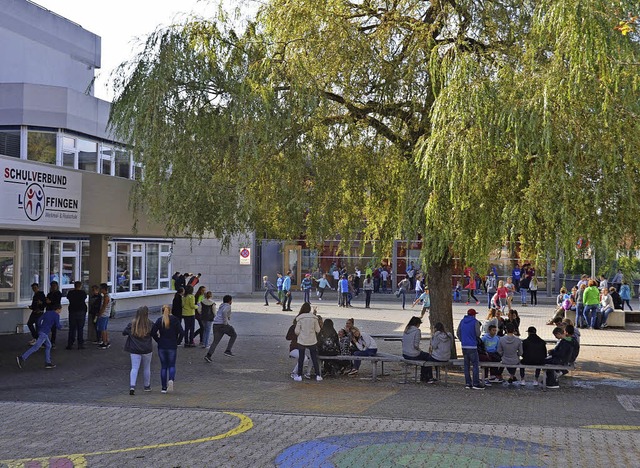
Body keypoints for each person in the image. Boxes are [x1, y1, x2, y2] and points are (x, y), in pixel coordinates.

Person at [151, 305, 184, 393]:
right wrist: (178, 342)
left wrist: (158, 340)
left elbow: (153, 332)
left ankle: (163, 388)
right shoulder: (175, 320)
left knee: (163, 367)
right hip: (172, 345)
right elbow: (182, 332)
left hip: (162, 345)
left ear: (162, 311)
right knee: (172, 365)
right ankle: (171, 380)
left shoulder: (159, 320)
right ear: (170, 311)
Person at [123, 306, 154, 395]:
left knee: (134, 368)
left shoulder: (132, 324)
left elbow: (124, 332)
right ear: (147, 314)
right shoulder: (150, 324)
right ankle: (146, 386)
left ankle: (132, 386)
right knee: (147, 368)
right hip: (147, 349)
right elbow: (154, 333)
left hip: (134, 349)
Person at [292, 302, 322, 381]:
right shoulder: (314, 318)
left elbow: (297, 331)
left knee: (301, 358)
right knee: (314, 357)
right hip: (312, 340)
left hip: (302, 340)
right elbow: (318, 330)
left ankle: (299, 375)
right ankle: (318, 375)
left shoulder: (300, 318)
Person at [204, 295, 237, 361]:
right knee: (234, 335)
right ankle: (228, 350)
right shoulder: (228, 306)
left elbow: (222, 313)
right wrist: (225, 322)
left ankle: (208, 355)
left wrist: (228, 317)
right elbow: (224, 312)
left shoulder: (221, 305)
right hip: (222, 324)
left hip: (216, 324)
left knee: (215, 341)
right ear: (229, 301)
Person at [456, 308, 483, 389]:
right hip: (472, 346)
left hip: (464, 345)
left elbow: (458, 332)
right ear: (474, 315)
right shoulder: (475, 322)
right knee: (475, 365)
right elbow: (478, 334)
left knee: (466, 365)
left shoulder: (462, 321)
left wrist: (462, 340)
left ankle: (468, 383)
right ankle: (476, 383)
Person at [402, 316, 432, 382]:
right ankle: (427, 377)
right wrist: (420, 350)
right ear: (417, 324)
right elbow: (416, 345)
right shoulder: (417, 331)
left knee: (424, 357)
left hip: (405, 353)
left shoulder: (406, 330)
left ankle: (425, 377)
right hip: (413, 354)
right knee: (428, 357)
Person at [66, 281, 88, 350]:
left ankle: (70, 344)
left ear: (74, 286)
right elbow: (84, 299)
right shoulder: (83, 293)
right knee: (80, 328)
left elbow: (68, 298)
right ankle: (80, 344)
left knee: (72, 328)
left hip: (72, 311)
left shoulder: (70, 293)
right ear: (80, 286)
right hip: (81, 311)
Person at [45, 280, 63, 347]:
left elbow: (57, 302)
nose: (53, 287)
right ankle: (46, 341)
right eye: (52, 286)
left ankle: (53, 342)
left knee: (54, 327)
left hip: (54, 311)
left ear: (57, 286)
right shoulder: (49, 294)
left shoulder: (58, 293)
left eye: (54, 286)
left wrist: (50, 301)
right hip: (49, 310)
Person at [96, 283, 112, 349]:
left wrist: (99, 314)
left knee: (102, 329)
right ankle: (106, 341)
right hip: (106, 314)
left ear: (103, 289)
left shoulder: (106, 297)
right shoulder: (106, 296)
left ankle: (105, 342)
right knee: (104, 328)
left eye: (100, 288)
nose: (99, 290)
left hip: (104, 315)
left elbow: (103, 307)